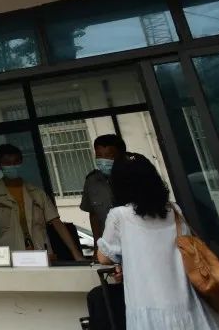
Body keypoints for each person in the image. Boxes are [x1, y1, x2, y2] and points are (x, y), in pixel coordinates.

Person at [97, 154, 219, 330]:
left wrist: (124, 261)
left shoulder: (118, 215)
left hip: (147, 307)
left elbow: (104, 257)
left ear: (118, 184)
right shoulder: (173, 210)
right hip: (187, 304)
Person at [0, 143, 84, 262]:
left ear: (21, 162)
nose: (12, 166)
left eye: (16, 162)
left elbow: (56, 222)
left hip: (41, 254)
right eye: (7, 163)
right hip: (11, 257)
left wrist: (76, 253)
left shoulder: (37, 193)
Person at [82, 135, 128, 330]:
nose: (103, 161)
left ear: (120, 154)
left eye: (108, 156)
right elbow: (93, 215)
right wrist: (97, 244)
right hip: (110, 252)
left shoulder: (133, 177)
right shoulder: (92, 180)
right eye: (99, 155)